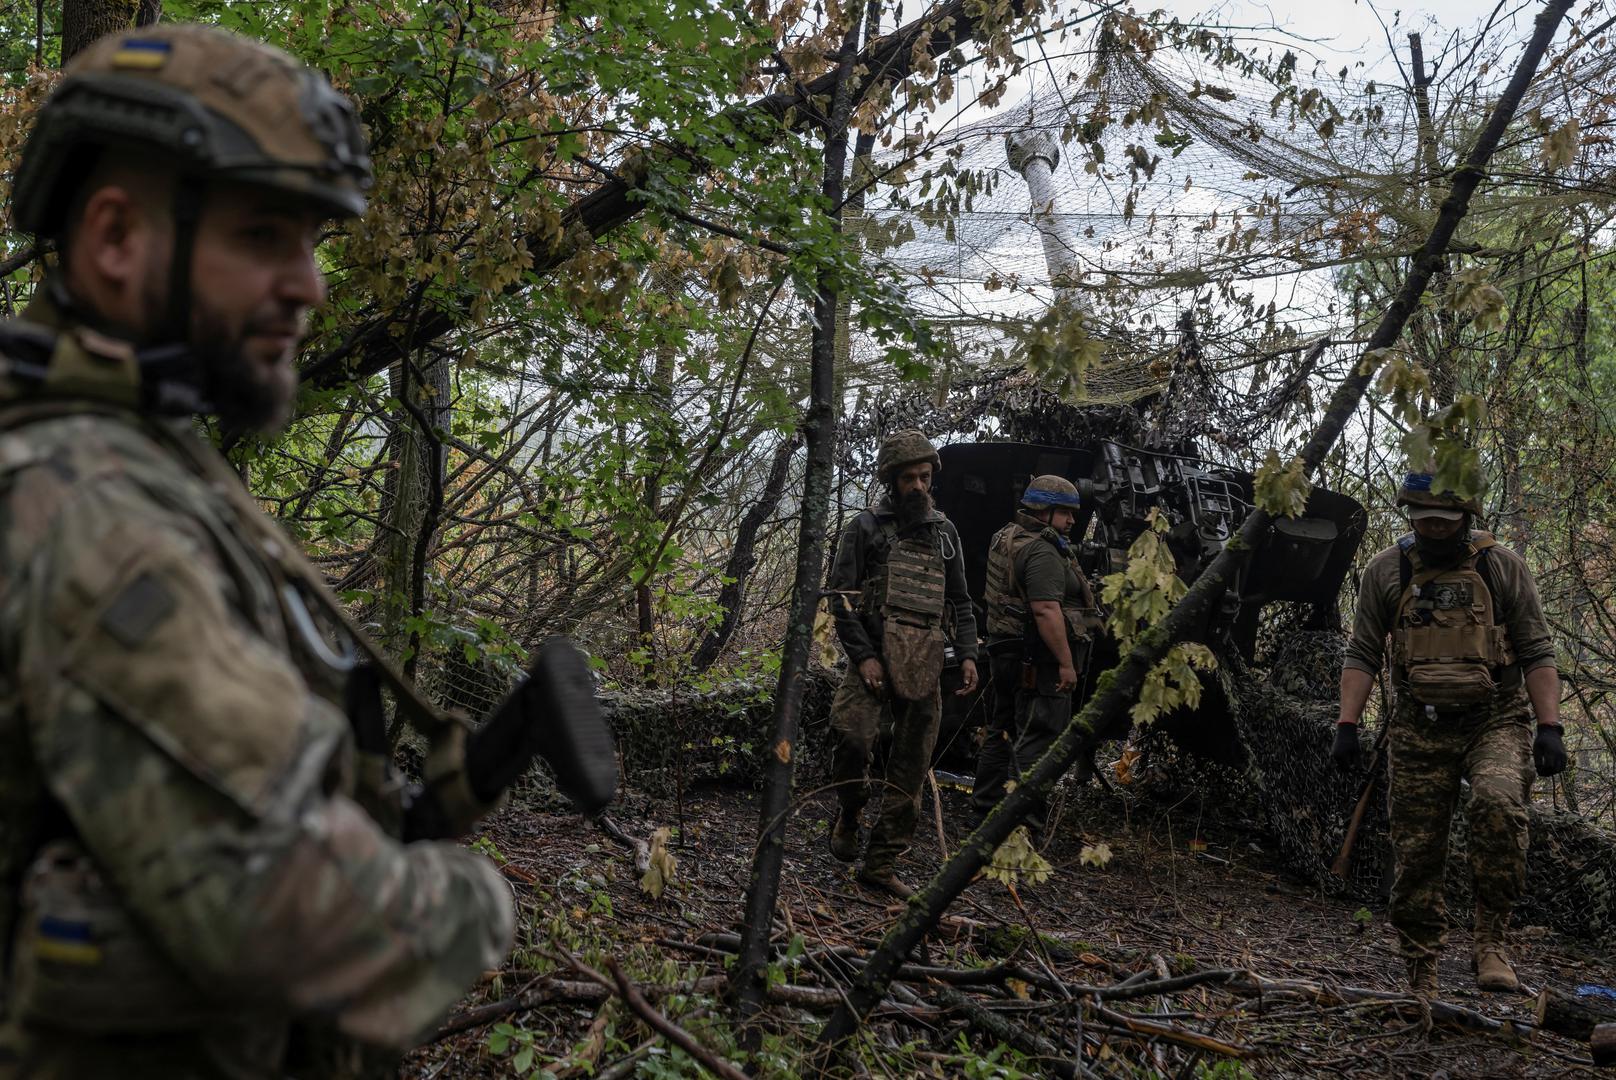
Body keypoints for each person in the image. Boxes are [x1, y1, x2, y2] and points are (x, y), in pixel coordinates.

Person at [0, 24, 615, 1078]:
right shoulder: (91, 506)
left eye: (313, 241)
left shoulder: (144, 449)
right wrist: (477, 906)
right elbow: (278, 903)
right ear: (115, 239)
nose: (311, 285)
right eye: (261, 236)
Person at [1334, 471, 1566, 996]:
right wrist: (1347, 725)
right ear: (1410, 520)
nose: (1435, 531)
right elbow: (1364, 651)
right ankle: (1421, 964)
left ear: (1467, 519)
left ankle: (1491, 944)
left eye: (1445, 522)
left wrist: (1550, 727)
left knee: (1499, 807)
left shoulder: (1501, 566)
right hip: (1418, 725)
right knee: (1416, 848)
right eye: (1424, 523)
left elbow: (1536, 650)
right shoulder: (1386, 571)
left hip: (1496, 718)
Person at [825, 430, 979, 897]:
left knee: (911, 767)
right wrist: (865, 657)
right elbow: (842, 598)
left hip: (925, 660)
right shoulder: (864, 528)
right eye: (909, 477)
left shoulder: (946, 534)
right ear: (891, 480)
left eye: (925, 477)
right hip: (873, 657)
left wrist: (968, 654)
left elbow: (960, 600)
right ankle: (850, 810)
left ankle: (881, 862)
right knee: (851, 736)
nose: (918, 485)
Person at [970, 476, 1099, 827]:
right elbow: (1045, 610)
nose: (1072, 521)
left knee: (1002, 728)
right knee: (1040, 735)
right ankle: (1019, 826)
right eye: (1065, 513)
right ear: (1043, 510)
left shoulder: (1008, 535)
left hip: (1006, 652)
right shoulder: (1042, 549)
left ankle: (984, 813)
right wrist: (1066, 664)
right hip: (1037, 659)